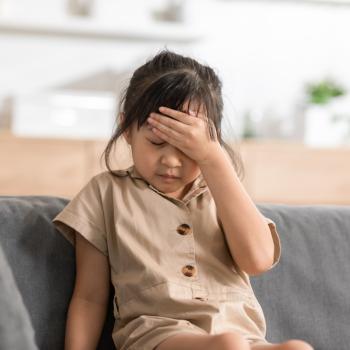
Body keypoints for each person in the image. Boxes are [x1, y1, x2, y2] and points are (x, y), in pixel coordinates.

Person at [52, 50, 313, 350]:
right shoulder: (105, 193)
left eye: (188, 148)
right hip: (158, 334)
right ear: (126, 129)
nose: (171, 161)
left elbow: (258, 260)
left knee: (297, 348)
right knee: (229, 346)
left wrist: (214, 159)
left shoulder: (222, 192)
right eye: (156, 142)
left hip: (242, 334)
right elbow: (89, 297)